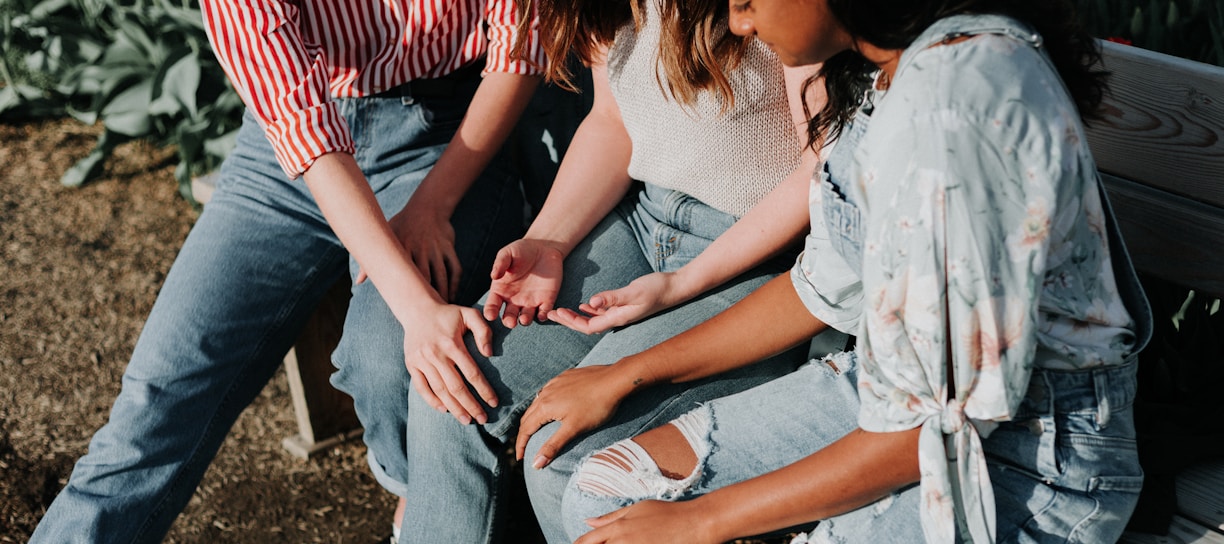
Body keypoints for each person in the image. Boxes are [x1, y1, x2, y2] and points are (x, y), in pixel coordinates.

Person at [534, 0, 1156, 542]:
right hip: (879, 389)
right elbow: (820, 289)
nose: (737, 22)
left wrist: (702, 521)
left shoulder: (956, 111)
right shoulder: (876, 75)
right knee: (602, 494)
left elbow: (936, 428)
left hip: (1026, 458)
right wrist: (625, 374)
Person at [30, 1, 550, 542]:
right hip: (285, 152)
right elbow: (305, 130)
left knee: (386, 357)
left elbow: (522, 42)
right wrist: (418, 307)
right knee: (157, 402)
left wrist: (432, 205)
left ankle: (416, 501)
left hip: (442, 139)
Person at [365, 0, 846, 541]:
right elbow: (611, 121)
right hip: (643, 220)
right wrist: (548, 239)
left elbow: (820, 170)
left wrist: (680, 285)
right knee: (452, 391)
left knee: (563, 452)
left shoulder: (763, 12)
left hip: (755, 255)